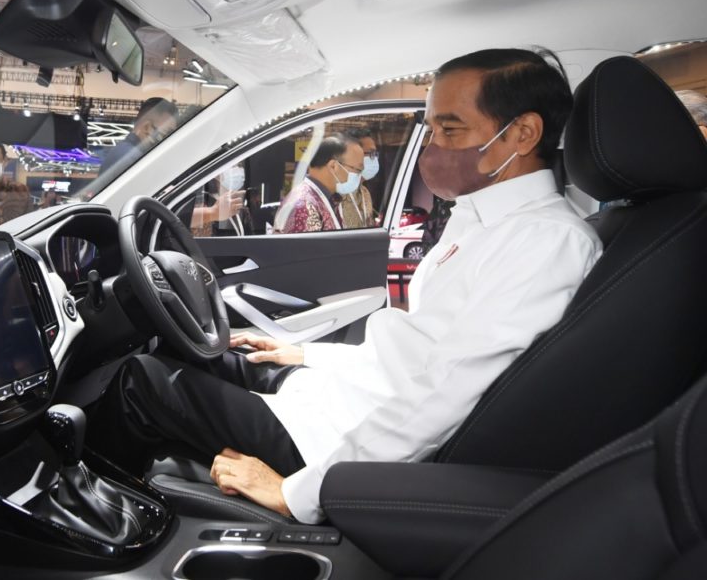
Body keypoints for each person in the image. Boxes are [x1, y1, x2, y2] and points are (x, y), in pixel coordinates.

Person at [89, 48, 602, 525]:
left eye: (450, 129)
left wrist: (298, 493)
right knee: (202, 353)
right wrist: (305, 355)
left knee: (142, 382)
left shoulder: (545, 242)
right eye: (430, 129)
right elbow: (414, 355)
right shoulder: (482, 219)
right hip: (343, 399)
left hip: (339, 441)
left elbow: (446, 396)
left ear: (523, 134)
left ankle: (95, 529)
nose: (432, 148)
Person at [275, 135, 365, 233]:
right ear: (334, 166)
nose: (360, 176)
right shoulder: (303, 207)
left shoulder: (326, 198)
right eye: (358, 169)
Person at [98, 97, 179, 175]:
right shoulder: (134, 160)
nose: (168, 139)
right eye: (166, 133)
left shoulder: (124, 151)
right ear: (147, 127)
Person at [340, 131, 380, 229]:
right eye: (371, 153)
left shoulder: (365, 192)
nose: (374, 158)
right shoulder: (335, 194)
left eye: (375, 154)